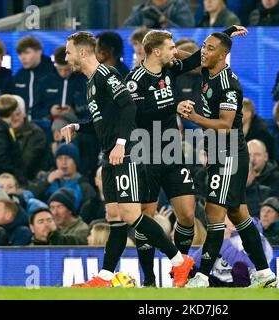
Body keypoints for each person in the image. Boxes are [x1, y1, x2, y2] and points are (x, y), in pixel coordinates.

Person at [61, 31, 195, 288]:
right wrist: (78, 127)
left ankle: (180, 262)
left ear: (82, 52)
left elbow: (129, 107)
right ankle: (105, 277)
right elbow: (104, 120)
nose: (66, 58)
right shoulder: (90, 83)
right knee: (114, 217)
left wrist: (122, 144)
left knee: (132, 215)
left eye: (68, 52)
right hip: (110, 154)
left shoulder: (107, 75)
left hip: (127, 151)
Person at [125, 26, 246, 287]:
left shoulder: (170, 68)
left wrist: (225, 34)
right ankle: (149, 280)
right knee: (147, 216)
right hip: (145, 150)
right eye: (171, 47)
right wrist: (174, 106)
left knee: (188, 215)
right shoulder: (134, 79)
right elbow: (139, 115)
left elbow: (194, 58)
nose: (175, 52)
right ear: (156, 51)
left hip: (171, 150)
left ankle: (179, 271)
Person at [178, 31, 277, 288]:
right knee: (239, 214)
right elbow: (187, 59)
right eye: (203, 46)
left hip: (229, 153)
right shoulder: (207, 68)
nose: (204, 51)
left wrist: (195, 118)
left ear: (223, 55)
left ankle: (202, 276)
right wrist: (167, 50)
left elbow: (225, 124)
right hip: (218, 153)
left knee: (215, 213)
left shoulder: (228, 84)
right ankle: (265, 273)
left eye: (210, 48)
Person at [191, 215, 273, 287]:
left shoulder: (255, 235)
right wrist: (214, 240)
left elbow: (250, 264)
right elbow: (197, 263)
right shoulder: (220, 232)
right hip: (219, 281)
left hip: (248, 282)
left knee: (240, 268)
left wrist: (224, 241)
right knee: (192, 269)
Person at [29, 143, 96, 210]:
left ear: (75, 161)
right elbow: (30, 197)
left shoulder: (85, 187)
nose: (63, 162)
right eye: (60, 158)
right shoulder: (49, 179)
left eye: (67, 158)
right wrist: (46, 182)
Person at [12, 36, 55, 120]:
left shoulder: (52, 73)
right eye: (20, 54)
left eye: (26, 53)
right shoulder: (19, 76)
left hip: (48, 125)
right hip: (22, 125)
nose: (22, 57)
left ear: (38, 52)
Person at [43, 46, 88, 120]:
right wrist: (50, 111)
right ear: (55, 65)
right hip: (50, 124)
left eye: (67, 69)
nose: (63, 73)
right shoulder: (46, 80)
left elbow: (91, 108)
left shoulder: (84, 79)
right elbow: (36, 109)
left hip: (78, 123)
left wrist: (74, 111)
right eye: (59, 69)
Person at [10, 94, 47, 180]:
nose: (13, 118)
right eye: (10, 115)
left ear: (24, 114)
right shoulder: (2, 131)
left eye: (17, 114)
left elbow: (25, 164)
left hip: (28, 179)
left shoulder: (35, 133)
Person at [123, 0, 195, 28]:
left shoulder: (179, 7)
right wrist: (144, 29)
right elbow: (126, 29)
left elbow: (188, 31)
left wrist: (165, 23)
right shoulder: (141, 10)